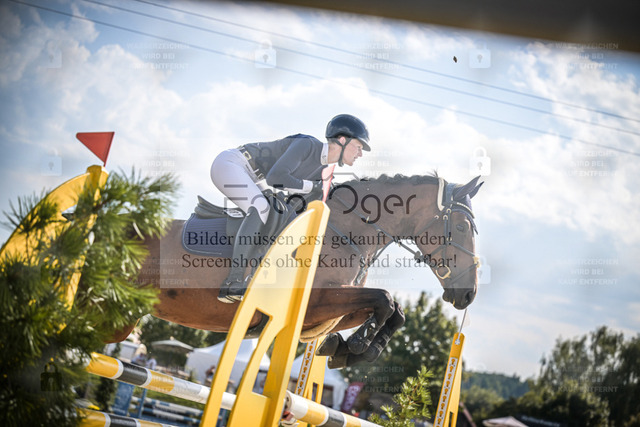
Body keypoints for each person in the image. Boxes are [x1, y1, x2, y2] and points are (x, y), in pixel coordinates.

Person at [211, 114, 371, 303]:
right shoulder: (307, 145)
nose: (360, 154)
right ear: (342, 140)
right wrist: (312, 186)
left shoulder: (322, 170)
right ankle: (234, 281)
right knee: (261, 207)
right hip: (232, 164)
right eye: (359, 147)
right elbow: (276, 178)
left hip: (252, 176)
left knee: (277, 212)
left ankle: (258, 272)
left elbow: (299, 202)